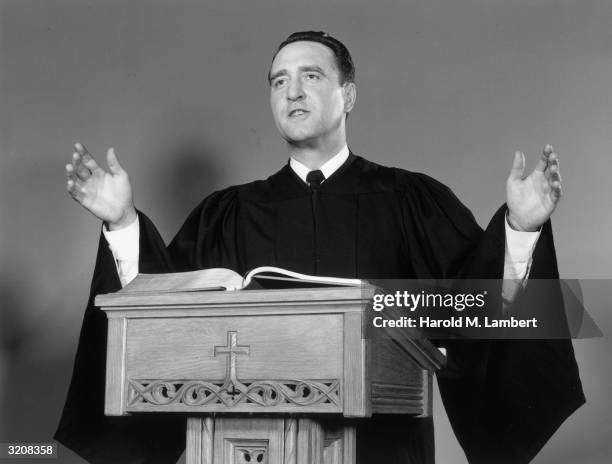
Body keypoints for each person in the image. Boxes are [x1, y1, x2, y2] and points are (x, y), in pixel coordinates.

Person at [57, 31, 584, 464]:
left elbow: (476, 306)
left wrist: (519, 227)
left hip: (383, 451)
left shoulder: (410, 201)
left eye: (311, 76)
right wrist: (123, 222)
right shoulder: (230, 214)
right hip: (247, 449)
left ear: (348, 95)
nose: (292, 93)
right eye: (278, 81)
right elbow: (162, 317)